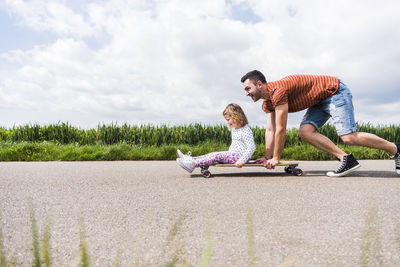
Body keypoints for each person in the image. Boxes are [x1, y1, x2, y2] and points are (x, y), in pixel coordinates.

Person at [240, 70, 400, 177]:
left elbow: (281, 129)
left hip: (334, 91)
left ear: (259, 84)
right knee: (305, 132)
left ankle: (396, 149)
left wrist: (276, 158)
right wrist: (267, 157)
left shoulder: (278, 91)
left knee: (349, 137)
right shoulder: (267, 103)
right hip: (318, 100)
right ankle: (346, 159)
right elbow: (270, 130)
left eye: (248, 89)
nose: (246, 94)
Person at [176, 103, 256, 173]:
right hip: (233, 154)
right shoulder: (235, 129)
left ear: (236, 117)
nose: (227, 122)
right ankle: (190, 159)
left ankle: (193, 164)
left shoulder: (245, 130)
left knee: (216, 155)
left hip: (240, 156)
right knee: (212, 154)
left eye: (228, 120)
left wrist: (242, 160)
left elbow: (251, 147)